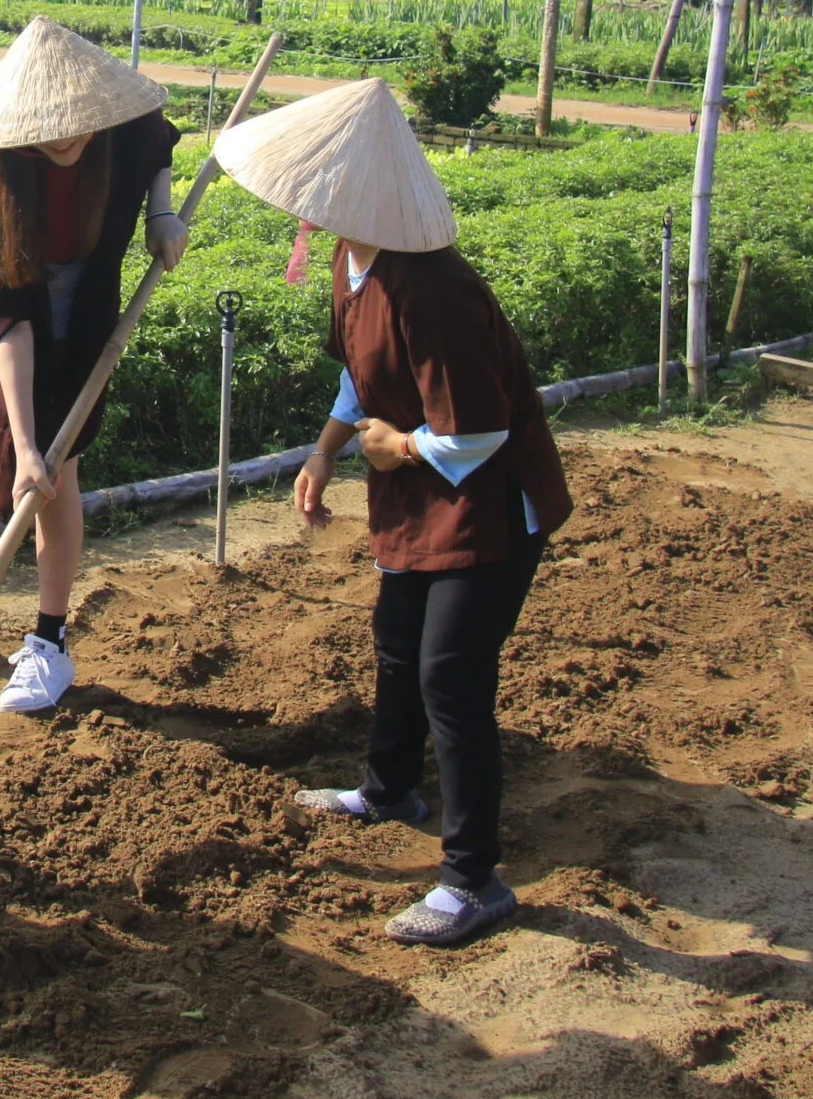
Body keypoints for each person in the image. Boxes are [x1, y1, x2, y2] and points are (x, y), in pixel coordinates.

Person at [213, 78, 573, 945]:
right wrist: (326, 448)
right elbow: (360, 372)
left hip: (488, 500)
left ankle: (473, 878)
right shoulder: (354, 261)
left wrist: (400, 446)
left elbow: (480, 428)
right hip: (416, 486)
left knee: (451, 673)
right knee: (397, 642)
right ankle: (389, 788)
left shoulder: (434, 288)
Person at [0, 17, 187, 712]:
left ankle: (50, 643)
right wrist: (24, 447)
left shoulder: (119, 128)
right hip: (4, 325)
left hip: (83, 316)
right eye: (47, 128)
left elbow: (160, 141)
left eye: (74, 124)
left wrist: (161, 214)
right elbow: (8, 320)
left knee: (60, 473)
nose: (63, 138)